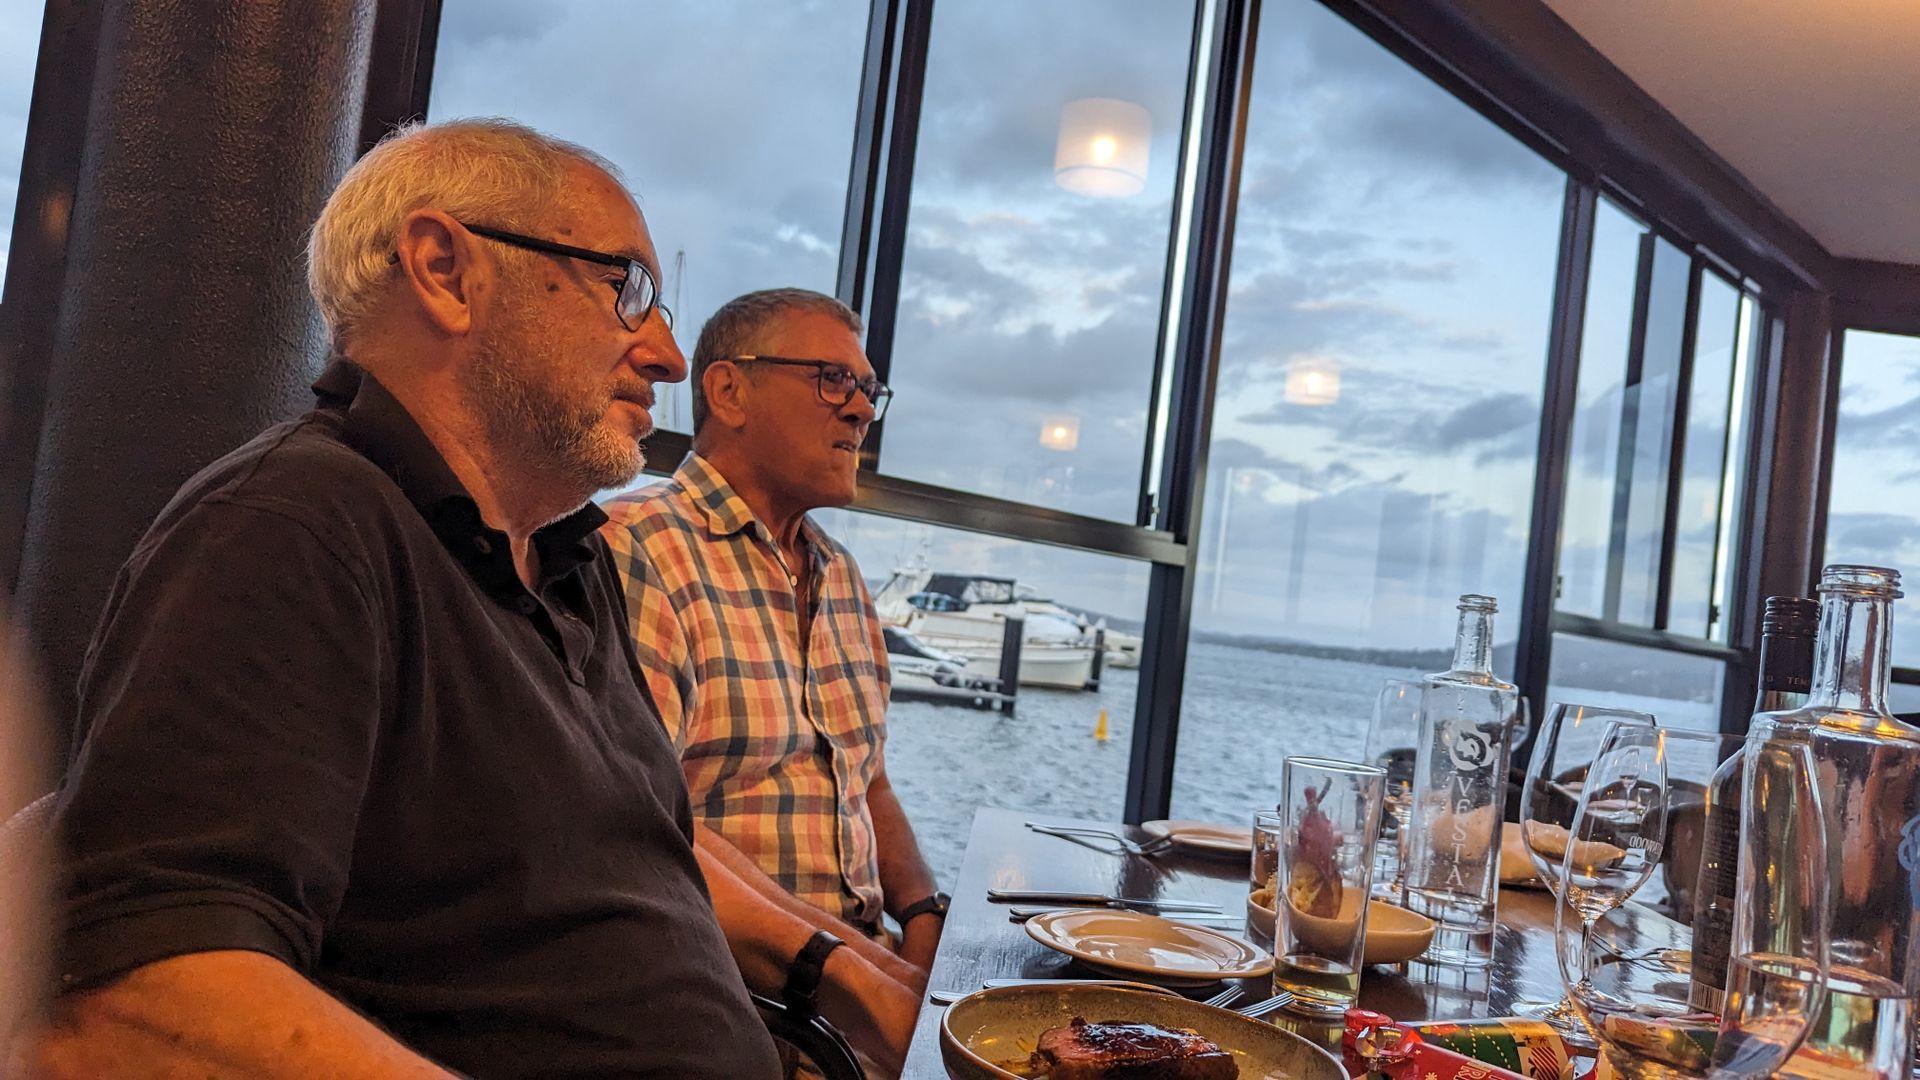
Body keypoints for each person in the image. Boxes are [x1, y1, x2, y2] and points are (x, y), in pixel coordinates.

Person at [23, 119, 786, 1079]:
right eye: (628, 289)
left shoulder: (569, 560)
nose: (668, 356)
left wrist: (837, 974)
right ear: (443, 269)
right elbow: (136, 1000)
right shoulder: (291, 526)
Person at [600, 289, 945, 1057]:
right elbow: (634, 832)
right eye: (833, 380)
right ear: (728, 390)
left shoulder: (842, 575)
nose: (860, 411)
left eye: (868, 391)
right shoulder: (638, 550)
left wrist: (922, 916)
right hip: (738, 1006)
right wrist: (872, 987)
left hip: (865, 979)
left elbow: (869, 781)